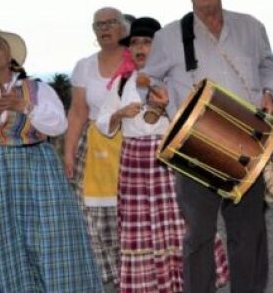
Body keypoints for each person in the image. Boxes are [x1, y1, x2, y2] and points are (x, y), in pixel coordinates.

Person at [144, 0, 273, 293]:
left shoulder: (251, 26)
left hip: (246, 141)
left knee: (248, 233)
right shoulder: (169, 36)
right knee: (200, 236)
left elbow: (268, 66)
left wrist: (269, 93)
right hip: (194, 147)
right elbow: (150, 79)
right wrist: (155, 97)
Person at [0, 28, 102, 291]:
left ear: (9, 54)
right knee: (1, 245)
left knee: (48, 240)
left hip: (36, 172)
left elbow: (58, 125)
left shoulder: (36, 89)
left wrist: (24, 106)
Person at [96, 16, 230, 292]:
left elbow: (196, 115)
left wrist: (169, 106)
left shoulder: (175, 78)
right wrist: (120, 113)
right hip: (134, 162)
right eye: (134, 43)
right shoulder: (123, 83)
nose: (140, 48)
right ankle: (155, 284)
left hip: (171, 156)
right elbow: (103, 123)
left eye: (147, 42)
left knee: (181, 219)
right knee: (142, 226)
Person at [66, 6, 129, 286]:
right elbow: (77, 111)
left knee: (134, 213)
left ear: (123, 27)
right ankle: (116, 280)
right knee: (97, 220)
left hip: (134, 143)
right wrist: (68, 154)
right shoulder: (84, 66)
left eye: (111, 22)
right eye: (98, 24)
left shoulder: (137, 59)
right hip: (93, 149)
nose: (104, 28)